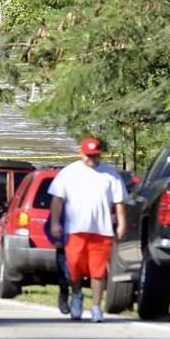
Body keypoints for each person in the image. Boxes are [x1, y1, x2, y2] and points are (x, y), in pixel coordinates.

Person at [48, 137, 127, 323]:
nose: (91, 159)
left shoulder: (110, 175)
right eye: (88, 155)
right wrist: (54, 223)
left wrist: (122, 223)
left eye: (95, 155)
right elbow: (57, 200)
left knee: (98, 272)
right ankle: (76, 296)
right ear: (81, 153)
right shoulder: (69, 173)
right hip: (75, 230)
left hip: (102, 231)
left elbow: (119, 203)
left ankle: (96, 307)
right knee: (74, 268)